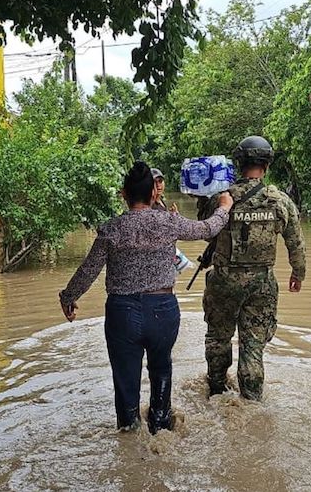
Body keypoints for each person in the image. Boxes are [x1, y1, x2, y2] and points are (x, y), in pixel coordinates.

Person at [59, 161, 234, 434]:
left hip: (122, 314)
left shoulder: (111, 229)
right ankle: (161, 424)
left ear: (123, 194)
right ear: (154, 194)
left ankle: (128, 433)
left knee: (125, 379)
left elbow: (88, 270)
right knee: (161, 368)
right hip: (163, 311)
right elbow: (207, 229)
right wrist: (224, 207)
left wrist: (68, 298)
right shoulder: (169, 222)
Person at [200, 136, 307, 400]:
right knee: (253, 347)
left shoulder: (221, 198)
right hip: (261, 284)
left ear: (238, 163)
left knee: (218, 339)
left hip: (223, 281)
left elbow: (204, 231)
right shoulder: (280, 202)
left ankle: (216, 393)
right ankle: (252, 403)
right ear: (267, 166)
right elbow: (296, 243)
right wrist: (298, 273)